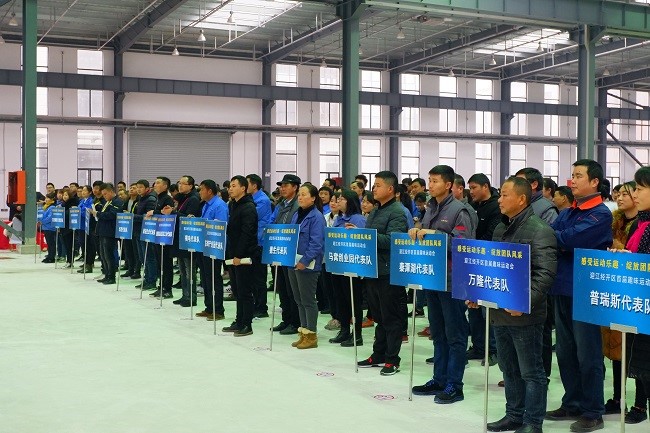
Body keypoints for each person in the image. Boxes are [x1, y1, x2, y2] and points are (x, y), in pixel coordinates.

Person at [479, 176, 557, 433]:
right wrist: (478, 293)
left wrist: (524, 302)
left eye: (504, 195)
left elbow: (545, 274)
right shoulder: (500, 228)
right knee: (509, 368)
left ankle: (533, 422)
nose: (499, 200)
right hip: (501, 312)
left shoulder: (540, 230)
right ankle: (513, 415)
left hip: (525, 315)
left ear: (521, 199)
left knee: (531, 372)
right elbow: (493, 268)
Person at [546, 159, 613, 432]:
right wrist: (560, 239)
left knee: (588, 354)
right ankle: (572, 402)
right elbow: (551, 235)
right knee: (565, 352)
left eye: (578, 176)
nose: (572, 180)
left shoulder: (601, 214)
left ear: (595, 182)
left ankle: (593, 410)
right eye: (572, 175)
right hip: (561, 286)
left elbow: (569, 239)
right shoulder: (568, 212)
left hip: (585, 291)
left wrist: (560, 239)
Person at [410, 165, 474, 404]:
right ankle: (439, 379)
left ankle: (454, 385)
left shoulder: (460, 210)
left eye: (435, 181)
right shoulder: (430, 207)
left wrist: (433, 235)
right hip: (433, 277)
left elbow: (463, 244)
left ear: (448, 185)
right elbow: (427, 233)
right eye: (429, 180)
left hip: (452, 280)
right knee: (438, 332)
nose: (431, 185)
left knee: (455, 334)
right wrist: (417, 231)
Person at [357, 171, 408, 376]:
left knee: (391, 317)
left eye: (378, 185)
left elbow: (394, 240)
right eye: (374, 185)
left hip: (389, 271)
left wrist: (365, 236)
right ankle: (378, 354)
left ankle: (392, 359)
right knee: (378, 316)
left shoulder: (397, 212)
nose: (374, 189)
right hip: (373, 269)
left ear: (390, 189)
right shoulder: (376, 210)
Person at [601, 181, 638, 414]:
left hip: (636, 291)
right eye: (619, 194)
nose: (620, 197)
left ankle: (640, 404)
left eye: (627, 194)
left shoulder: (643, 226)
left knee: (637, 348)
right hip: (615, 288)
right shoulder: (613, 223)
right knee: (616, 347)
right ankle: (618, 398)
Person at [620, 169, 650, 424]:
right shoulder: (640, 224)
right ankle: (640, 404)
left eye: (639, 189)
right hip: (638, 306)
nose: (634, 194)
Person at [466, 173, 501, 365]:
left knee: (488, 309)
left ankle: (493, 349)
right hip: (472, 262)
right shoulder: (472, 206)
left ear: (485, 187)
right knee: (473, 307)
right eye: (470, 188)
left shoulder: (496, 206)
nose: (471, 192)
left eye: (474, 188)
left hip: (489, 263)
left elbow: (491, 235)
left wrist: (472, 245)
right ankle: (478, 346)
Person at [285, 184, 325, 349]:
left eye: (304, 194)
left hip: (308, 265)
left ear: (313, 198)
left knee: (308, 300)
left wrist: (305, 261)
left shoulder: (317, 217)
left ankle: (311, 335)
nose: (300, 197)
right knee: (299, 300)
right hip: (293, 262)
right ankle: (303, 333)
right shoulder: (297, 214)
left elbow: (316, 243)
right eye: (299, 195)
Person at [329, 188, 367, 347]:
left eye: (342, 199)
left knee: (353, 300)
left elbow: (363, 241)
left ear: (350, 201)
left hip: (351, 266)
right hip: (337, 264)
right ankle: (344, 330)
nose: (338, 201)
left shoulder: (358, 219)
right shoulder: (339, 218)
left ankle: (357, 334)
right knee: (341, 299)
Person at [222, 176, 258, 337]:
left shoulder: (249, 207)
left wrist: (238, 254)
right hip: (233, 254)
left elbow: (247, 233)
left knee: (245, 291)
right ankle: (239, 321)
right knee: (237, 290)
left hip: (245, 255)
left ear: (243, 188)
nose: (230, 189)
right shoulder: (233, 205)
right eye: (230, 186)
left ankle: (247, 324)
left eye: (234, 186)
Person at [270, 174, 301, 335]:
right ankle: (286, 319)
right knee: (282, 288)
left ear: (295, 187)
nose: (282, 188)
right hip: (279, 250)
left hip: (291, 251)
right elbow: (275, 222)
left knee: (292, 290)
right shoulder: (281, 204)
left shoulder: (298, 205)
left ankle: (295, 322)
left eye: (285, 185)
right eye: (281, 186)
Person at [196, 179, 229, 321]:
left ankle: (218, 310)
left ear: (209, 191)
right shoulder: (206, 205)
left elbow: (221, 227)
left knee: (214, 278)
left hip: (214, 247)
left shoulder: (219, 205)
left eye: (202, 189)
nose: (200, 192)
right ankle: (209, 307)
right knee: (205, 278)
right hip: (204, 245)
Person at [172, 176, 202, 307]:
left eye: (183, 184)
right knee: (182, 270)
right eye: (179, 183)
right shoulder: (183, 198)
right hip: (180, 237)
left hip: (188, 238)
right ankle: (185, 295)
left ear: (190, 186)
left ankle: (191, 297)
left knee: (189, 270)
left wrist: (174, 213)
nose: (180, 186)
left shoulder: (193, 199)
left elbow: (189, 219)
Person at [246, 173, 273, 318]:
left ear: (254, 186)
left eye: (247, 184)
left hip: (260, 242)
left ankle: (262, 307)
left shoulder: (262, 200)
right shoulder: (251, 199)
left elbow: (251, 216)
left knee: (259, 277)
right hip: (252, 241)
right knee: (252, 277)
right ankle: (255, 304)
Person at [146, 177, 175, 299]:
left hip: (165, 234)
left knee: (166, 263)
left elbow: (166, 213)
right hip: (158, 233)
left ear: (165, 186)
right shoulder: (158, 197)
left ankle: (167, 289)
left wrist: (154, 212)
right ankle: (161, 286)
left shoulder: (167, 198)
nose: (155, 185)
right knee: (159, 262)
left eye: (158, 183)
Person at [91, 183, 124, 285]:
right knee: (104, 255)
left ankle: (111, 276)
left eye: (105, 194)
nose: (104, 196)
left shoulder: (117, 202)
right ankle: (107, 274)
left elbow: (112, 214)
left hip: (110, 231)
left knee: (109, 255)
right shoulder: (108, 202)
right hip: (103, 231)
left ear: (111, 192)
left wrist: (98, 214)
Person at [132, 180, 158, 289]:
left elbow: (148, 217)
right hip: (138, 231)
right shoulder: (140, 198)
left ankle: (151, 281)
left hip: (147, 232)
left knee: (149, 257)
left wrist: (132, 217)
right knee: (142, 257)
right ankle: (147, 279)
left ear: (147, 188)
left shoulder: (150, 199)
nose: (138, 189)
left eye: (141, 187)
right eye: (137, 187)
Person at [40, 192, 57, 263]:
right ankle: (49, 255)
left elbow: (50, 218)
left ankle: (52, 257)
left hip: (50, 228)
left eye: (48, 198)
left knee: (51, 243)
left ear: (52, 199)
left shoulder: (52, 207)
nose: (46, 199)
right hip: (46, 227)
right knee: (49, 243)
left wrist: (42, 221)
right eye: (46, 198)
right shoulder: (46, 206)